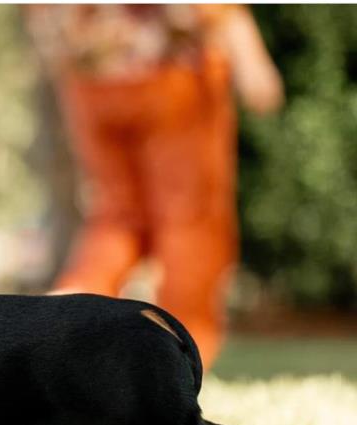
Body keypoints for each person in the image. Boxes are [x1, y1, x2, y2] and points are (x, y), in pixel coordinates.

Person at [26, 5, 283, 369]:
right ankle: (178, 351)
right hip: (170, 71)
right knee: (190, 222)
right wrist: (247, 51)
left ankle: (65, 316)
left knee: (115, 220)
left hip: (90, 78)